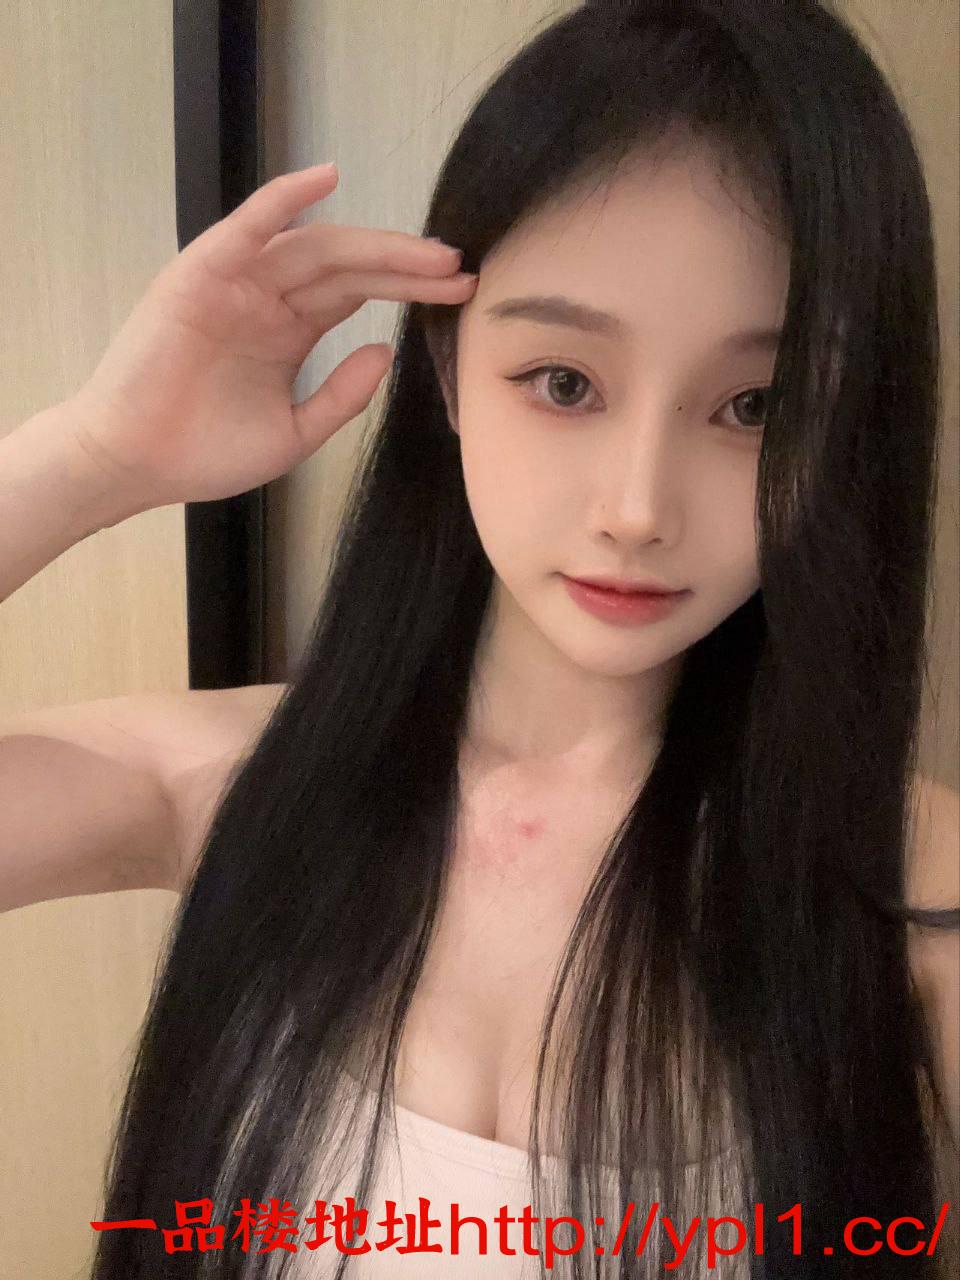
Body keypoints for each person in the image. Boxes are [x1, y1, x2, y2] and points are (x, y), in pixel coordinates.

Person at [1, 1, 958, 1276]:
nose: (637, 507)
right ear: (447, 368)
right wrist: (91, 456)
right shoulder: (231, 780)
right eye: (565, 382)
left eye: (755, 405)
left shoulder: (907, 884)